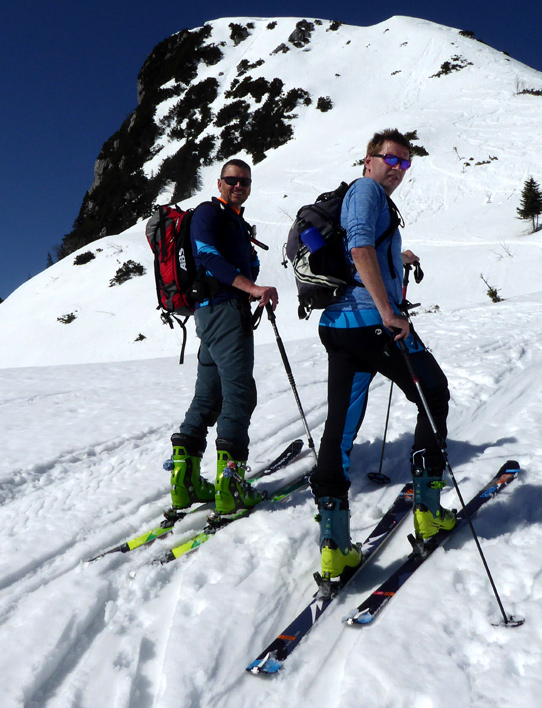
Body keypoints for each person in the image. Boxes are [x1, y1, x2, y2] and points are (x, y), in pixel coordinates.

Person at [311, 128, 456, 583]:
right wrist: (388, 312)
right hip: (372, 323)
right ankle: (428, 512)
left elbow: (364, 247)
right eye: (390, 159)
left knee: (339, 426)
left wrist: (397, 257)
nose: (397, 168)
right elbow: (358, 247)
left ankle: (335, 546)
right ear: (369, 159)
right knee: (433, 392)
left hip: (340, 327)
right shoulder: (366, 190)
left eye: (405, 162)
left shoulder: (368, 199)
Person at [168, 159, 279, 518]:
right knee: (239, 394)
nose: (238, 185)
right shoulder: (208, 213)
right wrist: (252, 287)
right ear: (219, 183)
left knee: (209, 395)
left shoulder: (235, 222)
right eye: (232, 180)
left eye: (245, 181)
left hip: (215, 314)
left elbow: (243, 265)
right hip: (224, 312)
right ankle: (230, 487)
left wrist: (250, 268)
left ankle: (184, 482)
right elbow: (208, 257)